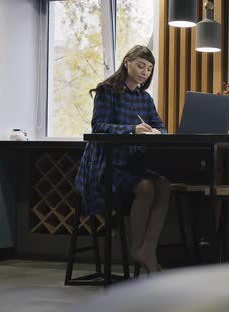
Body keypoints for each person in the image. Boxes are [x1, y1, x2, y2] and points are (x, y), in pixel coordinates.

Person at [75, 45, 170, 273]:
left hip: (132, 164)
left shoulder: (144, 98)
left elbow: (161, 127)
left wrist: (158, 132)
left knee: (164, 185)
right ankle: (139, 249)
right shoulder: (106, 90)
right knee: (146, 187)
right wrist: (132, 129)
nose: (145, 72)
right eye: (140, 65)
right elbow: (98, 127)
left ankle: (147, 248)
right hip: (106, 165)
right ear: (127, 62)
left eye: (149, 69)